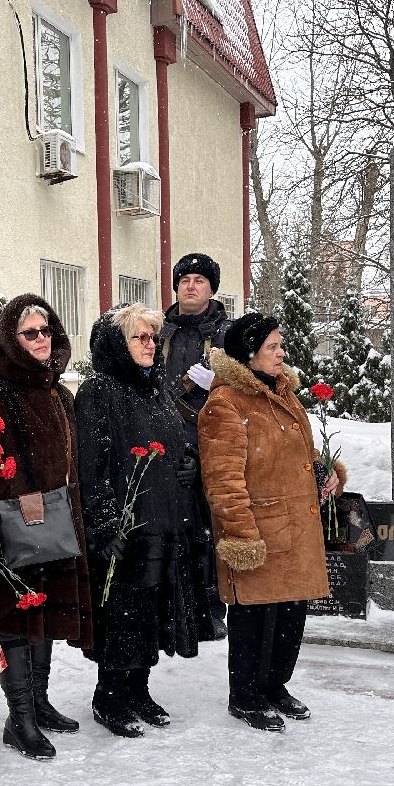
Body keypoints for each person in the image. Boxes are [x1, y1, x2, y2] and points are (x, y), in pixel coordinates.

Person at [0, 294, 93, 760]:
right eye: (30, 332)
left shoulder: (59, 393)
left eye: (46, 330)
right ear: (11, 340)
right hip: (10, 529)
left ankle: (38, 702)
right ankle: (19, 719)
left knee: (45, 615)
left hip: (55, 524)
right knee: (18, 620)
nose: (42, 339)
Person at [199, 313, 340, 731]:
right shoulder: (226, 404)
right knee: (255, 618)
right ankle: (245, 695)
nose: (281, 353)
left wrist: (325, 471)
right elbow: (223, 481)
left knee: (290, 616)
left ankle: (275, 685)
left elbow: (302, 452)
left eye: (281, 345)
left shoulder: (283, 393)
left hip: (296, 527)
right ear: (250, 354)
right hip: (258, 530)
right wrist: (241, 536)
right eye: (272, 347)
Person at [76, 303, 205, 736]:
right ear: (118, 344)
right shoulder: (99, 391)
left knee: (150, 611)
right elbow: (91, 465)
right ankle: (110, 696)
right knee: (122, 613)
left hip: (163, 521)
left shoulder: (157, 390)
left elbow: (175, 444)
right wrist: (104, 523)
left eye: (154, 337)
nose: (151, 345)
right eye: (140, 337)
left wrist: (188, 466)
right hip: (127, 525)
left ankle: (139, 690)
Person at [158, 252, 232, 641]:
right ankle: (171, 605)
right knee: (168, 526)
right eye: (184, 280)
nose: (190, 286)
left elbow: (250, 384)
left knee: (210, 527)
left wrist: (217, 380)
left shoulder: (227, 334)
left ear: (212, 289)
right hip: (162, 444)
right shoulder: (157, 330)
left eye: (199, 280)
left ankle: (212, 607)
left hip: (212, 443)